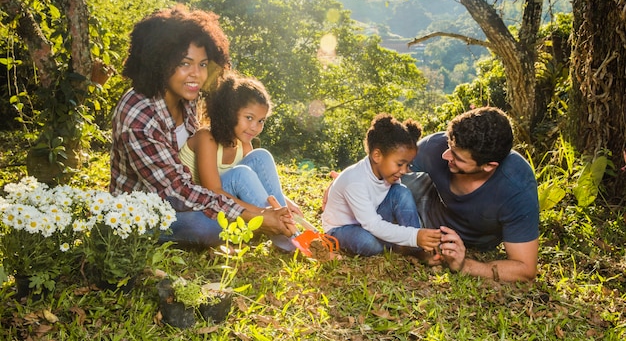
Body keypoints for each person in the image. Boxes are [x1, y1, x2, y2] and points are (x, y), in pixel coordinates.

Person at [109, 5, 295, 248]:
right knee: (207, 225)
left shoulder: (186, 96)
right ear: (159, 62)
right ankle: (274, 229)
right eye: (185, 63)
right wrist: (257, 215)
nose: (196, 75)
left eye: (203, 64)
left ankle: (287, 228)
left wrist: (273, 204)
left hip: (195, 190)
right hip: (153, 209)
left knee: (258, 159)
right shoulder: (139, 116)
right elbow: (178, 193)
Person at [402, 106, 539, 282]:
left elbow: (525, 269)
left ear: (489, 166)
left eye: (458, 158)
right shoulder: (436, 146)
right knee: (391, 183)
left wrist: (464, 265)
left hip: (469, 240)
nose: (445, 155)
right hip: (424, 200)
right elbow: (384, 170)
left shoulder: (517, 187)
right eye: (449, 146)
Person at [179, 72, 302, 251]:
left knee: (261, 156)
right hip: (199, 205)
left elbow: (256, 181)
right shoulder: (206, 138)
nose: (255, 127)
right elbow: (213, 191)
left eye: (261, 121)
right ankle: (289, 239)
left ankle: (286, 223)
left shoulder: (243, 142)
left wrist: (285, 201)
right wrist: (260, 213)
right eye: (249, 118)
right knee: (241, 173)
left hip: (226, 205)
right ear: (230, 113)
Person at [321, 113, 442, 257]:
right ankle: (404, 243)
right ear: (377, 156)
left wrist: (414, 235)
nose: (404, 171)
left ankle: (415, 250)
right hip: (342, 227)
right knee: (369, 244)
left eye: (407, 164)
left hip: (370, 217)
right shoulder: (355, 181)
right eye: (399, 164)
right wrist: (414, 236)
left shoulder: (387, 173)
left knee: (401, 192)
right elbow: (372, 224)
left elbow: (392, 207)